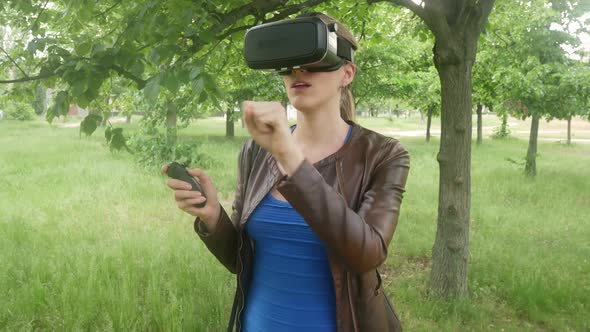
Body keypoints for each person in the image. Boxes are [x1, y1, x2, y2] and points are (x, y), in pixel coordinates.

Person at [163, 12, 410, 332]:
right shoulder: (255, 150)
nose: (299, 71)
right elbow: (241, 261)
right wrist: (214, 218)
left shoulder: (383, 155)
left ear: (347, 73)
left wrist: (291, 159)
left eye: (315, 59)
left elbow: (366, 256)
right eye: (289, 62)